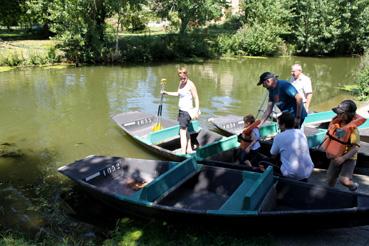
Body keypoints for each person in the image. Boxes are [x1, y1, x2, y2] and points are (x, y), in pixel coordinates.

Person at [321, 100, 366, 191]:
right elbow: (330, 136)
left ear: (347, 115)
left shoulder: (353, 130)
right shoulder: (336, 123)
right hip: (336, 155)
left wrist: (343, 158)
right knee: (329, 179)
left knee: (344, 180)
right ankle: (330, 194)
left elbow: (356, 147)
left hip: (348, 157)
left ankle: (353, 186)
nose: (337, 115)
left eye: (340, 113)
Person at [161, 67, 200, 154]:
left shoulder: (191, 84)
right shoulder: (180, 83)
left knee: (182, 133)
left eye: (183, 77)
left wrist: (197, 110)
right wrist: (166, 93)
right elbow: (178, 93)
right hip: (181, 111)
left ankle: (183, 152)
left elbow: (196, 98)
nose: (182, 79)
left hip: (187, 112)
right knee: (185, 131)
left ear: (186, 74)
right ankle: (189, 148)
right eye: (180, 77)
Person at [270, 112, 314, 181]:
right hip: (308, 170)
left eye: (279, 124)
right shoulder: (301, 133)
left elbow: (273, 154)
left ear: (283, 125)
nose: (278, 126)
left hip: (292, 174)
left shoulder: (279, 137)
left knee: (276, 162)